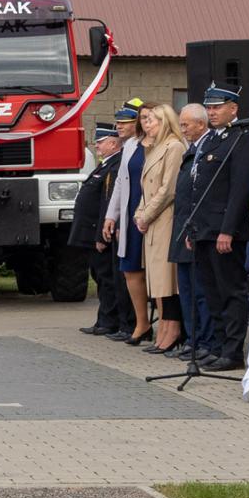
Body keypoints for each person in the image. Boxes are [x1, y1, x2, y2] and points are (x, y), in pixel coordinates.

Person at [184, 83, 249, 372]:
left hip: (224, 232)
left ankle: (232, 351)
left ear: (234, 109)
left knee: (230, 291)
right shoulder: (212, 141)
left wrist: (227, 230)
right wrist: (194, 230)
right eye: (210, 107)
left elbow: (240, 191)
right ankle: (216, 346)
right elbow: (199, 189)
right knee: (211, 291)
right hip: (204, 230)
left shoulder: (243, 141)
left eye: (218, 107)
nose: (212, 112)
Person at [134, 103, 187, 355]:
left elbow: (168, 189)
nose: (147, 124)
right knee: (157, 278)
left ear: (165, 122)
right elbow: (145, 189)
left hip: (166, 219)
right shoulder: (153, 149)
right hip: (152, 221)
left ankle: (172, 329)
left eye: (152, 120)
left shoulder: (174, 146)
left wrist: (147, 215)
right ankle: (164, 328)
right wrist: (139, 214)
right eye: (146, 120)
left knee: (167, 278)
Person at [74, 124, 132, 338]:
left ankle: (109, 321)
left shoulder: (115, 166)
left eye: (101, 142)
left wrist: (100, 235)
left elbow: (107, 204)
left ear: (113, 143)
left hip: (100, 233)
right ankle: (104, 319)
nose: (96, 146)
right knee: (100, 277)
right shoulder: (106, 165)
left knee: (107, 278)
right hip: (92, 231)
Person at [171, 105, 217, 363]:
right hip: (183, 227)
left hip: (197, 229)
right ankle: (192, 338)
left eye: (186, 124)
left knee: (200, 290)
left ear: (201, 124)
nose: (183, 129)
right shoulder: (191, 150)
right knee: (186, 289)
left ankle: (205, 340)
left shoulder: (207, 147)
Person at [102, 99, 149, 346]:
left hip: (151, 214)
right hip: (130, 213)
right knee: (130, 268)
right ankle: (141, 323)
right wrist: (112, 216)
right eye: (117, 122)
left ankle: (162, 327)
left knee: (155, 274)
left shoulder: (156, 143)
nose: (119, 126)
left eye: (125, 122)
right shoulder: (130, 145)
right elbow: (121, 183)